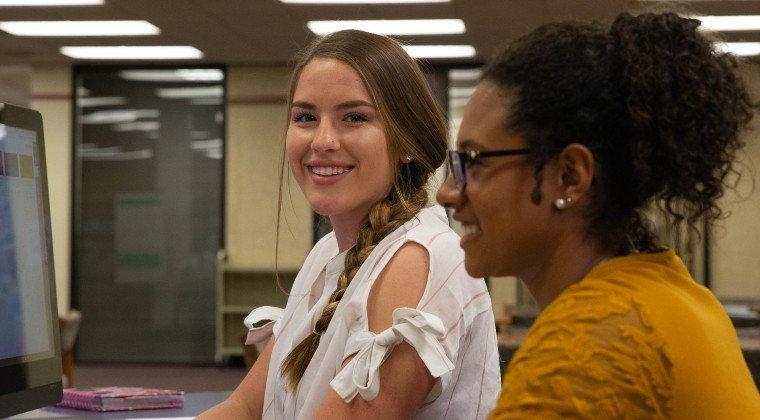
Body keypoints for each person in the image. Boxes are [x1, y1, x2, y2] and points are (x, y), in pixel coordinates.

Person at [436, 12, 760, 419]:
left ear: (570, 176)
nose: (447, 193)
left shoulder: (586, 345)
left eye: (473, 161)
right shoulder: (674, 293)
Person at [201, 30, 500, 419]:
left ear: (406, 141)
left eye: (354, 117)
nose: (323, 140)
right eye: (305, 117)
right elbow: (242, 407)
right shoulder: (329, 252)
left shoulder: (418, 259)